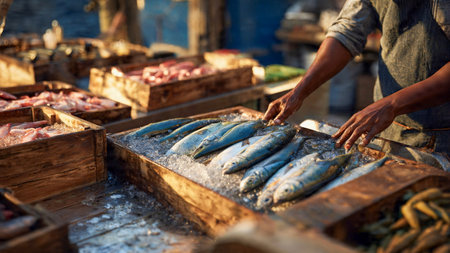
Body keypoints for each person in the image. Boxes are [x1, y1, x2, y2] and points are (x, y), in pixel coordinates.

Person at [264, 0, 450, 155]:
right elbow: (347, 32)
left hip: (441, 137)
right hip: (385, 127)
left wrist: (392, 104)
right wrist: (299, 91)